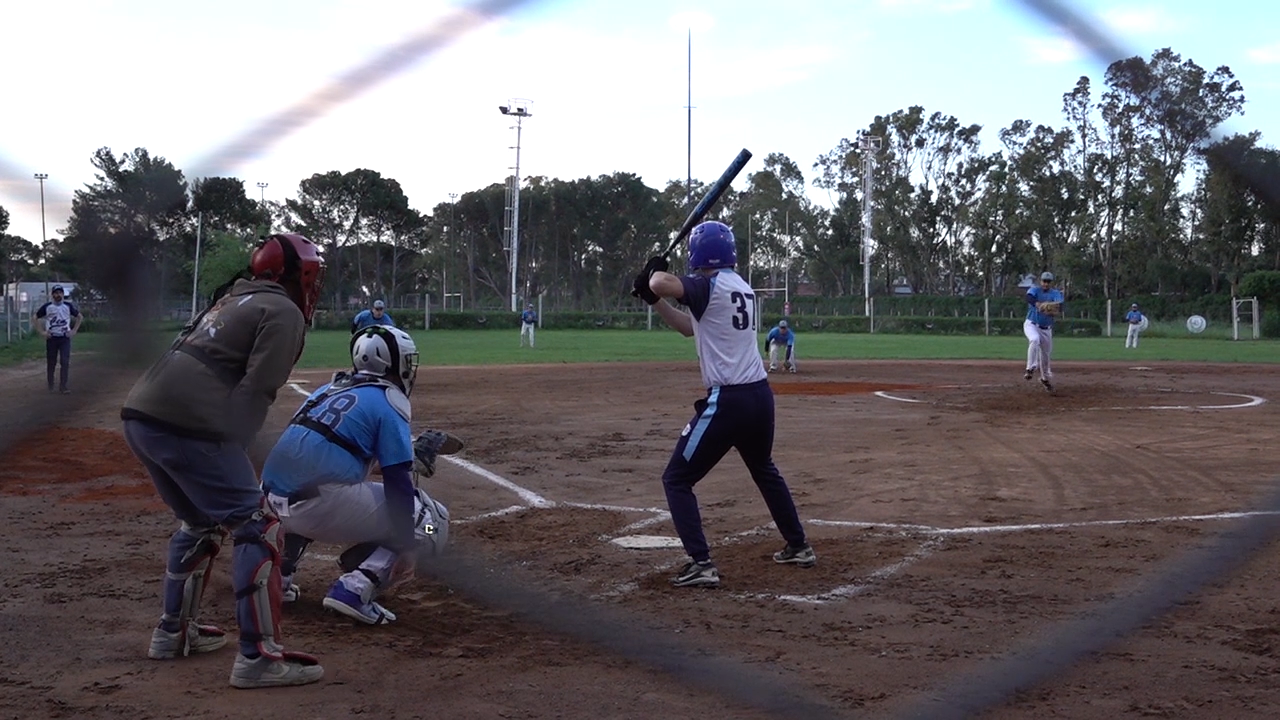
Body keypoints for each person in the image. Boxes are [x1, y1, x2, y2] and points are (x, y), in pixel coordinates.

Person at [119, 233, 326, 689]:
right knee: (259, 526)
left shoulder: (231, 298)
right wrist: (235, 449)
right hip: (190, 423)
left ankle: (172, 633)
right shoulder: (283, 311)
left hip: (141, 417)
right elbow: (257, 389)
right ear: (302, 275)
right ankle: (258, 657)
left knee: (199, 523)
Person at [632, 220, 815, 588]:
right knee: (763, 468)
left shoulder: (708, 285)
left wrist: (653, 275)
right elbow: (689, 327)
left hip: (729, 400)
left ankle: (700, 563)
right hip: (760, 397)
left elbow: (661, 282)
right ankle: (798, 545)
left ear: (698, 256)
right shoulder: (741, 287)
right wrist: (655, 300)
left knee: (676, 479)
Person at [260, 325, 454, 626]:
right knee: (429, 520)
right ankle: (356, 587)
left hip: (271, 505)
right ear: (393, 363)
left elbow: (325, 454)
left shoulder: (327, 391)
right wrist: (405, 543)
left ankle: (280, 579)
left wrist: (407, 458)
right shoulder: (389, 401)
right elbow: (398, 485)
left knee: (309, 486)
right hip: (317, 509)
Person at [35, 284, 83, 394]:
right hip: (52, 338)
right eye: (56, 293)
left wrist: (74, 330)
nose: (58, 295)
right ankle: (51, 385)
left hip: (64, 338)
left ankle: (63, 386)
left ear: (63, 294)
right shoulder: (48, 307)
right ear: (52, 295)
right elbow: (35, 317)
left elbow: (79, 316)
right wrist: (42, 332)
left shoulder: (68, 306)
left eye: (60, 293)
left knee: (65, 362)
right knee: (51, 362)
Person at [1024, 271, 1064, 392]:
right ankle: (1030, 368)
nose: (1046, 283)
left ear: (1051, 283)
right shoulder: (1035, 290)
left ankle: (1044, 379)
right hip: (1032, 324)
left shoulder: (1055, 293)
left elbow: (1060, 306)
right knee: (1034, 339)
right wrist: (1038, 304)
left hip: (1046, 329)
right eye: (1044, 281)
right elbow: (1028, 297)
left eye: (1048, 281)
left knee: (1045, 356)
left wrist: (1051, 309)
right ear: (1040, 281)